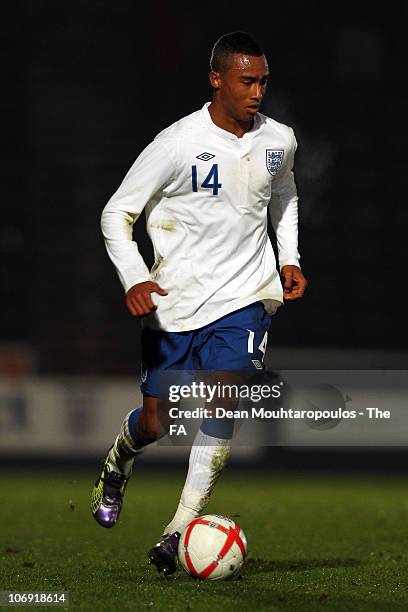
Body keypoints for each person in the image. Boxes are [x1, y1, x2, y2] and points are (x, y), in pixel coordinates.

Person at [91, 31, 308, 575]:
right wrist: (134, 278)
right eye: (246, 81)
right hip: (175, 302)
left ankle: (176, 530)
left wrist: (290, 258)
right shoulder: (177, 142)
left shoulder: (279, 139)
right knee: (156, 422)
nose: (257, 92)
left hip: (246, 295)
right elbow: (116, 214)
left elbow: (283, 192)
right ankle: (119, 464)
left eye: (262, 81)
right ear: (217, 79)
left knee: (224, 400)